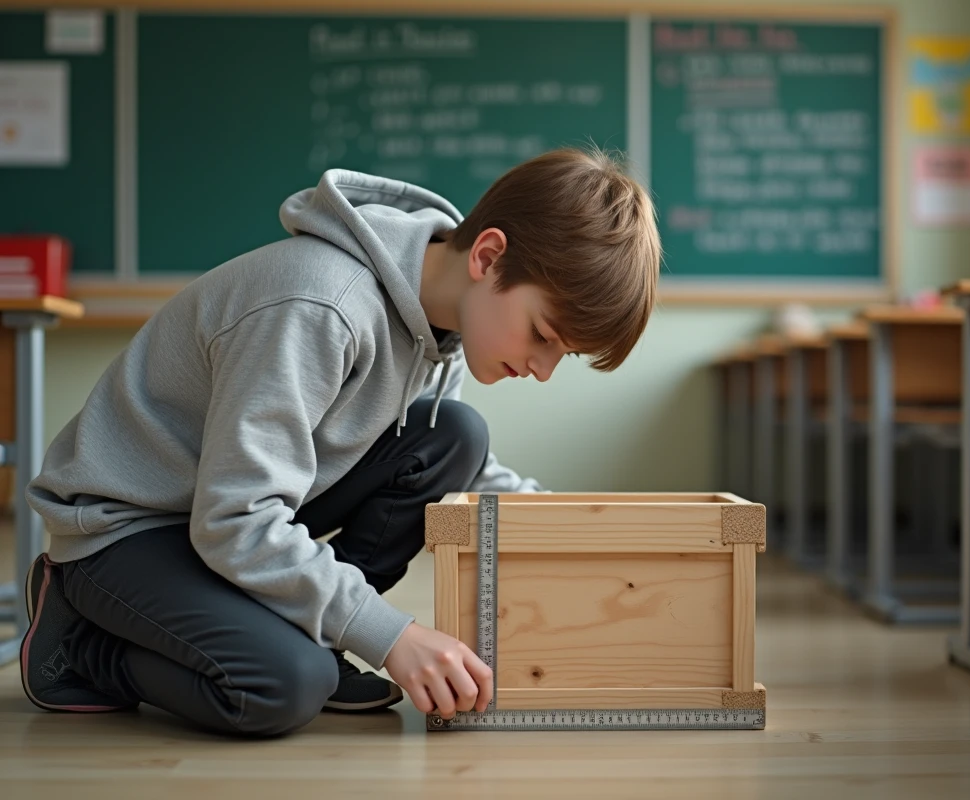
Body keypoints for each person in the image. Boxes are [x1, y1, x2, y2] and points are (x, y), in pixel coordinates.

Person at [19, 147, 660, 737]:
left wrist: (584, 529)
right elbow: (235, 519)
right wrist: (392, 637)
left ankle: (308, 634)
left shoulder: (447, 327)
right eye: (542, 335)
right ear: (487, 258)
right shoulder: (321, 307)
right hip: (130, 529)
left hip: (222, 513)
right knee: (284, 685)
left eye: (563, 356)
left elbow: (461, 466)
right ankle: (83, 644)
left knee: (455, 437)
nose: (544, 370)